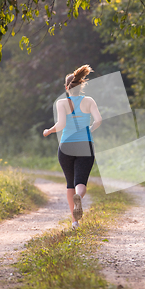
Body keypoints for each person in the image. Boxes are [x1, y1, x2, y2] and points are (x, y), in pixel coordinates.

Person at [43, 65, 102, 229]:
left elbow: (61, 125)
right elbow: (98, 120)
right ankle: (79, 196)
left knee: (69, 182)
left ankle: (75, 222)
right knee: (80, 181)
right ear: (81, 85)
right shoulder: (89, 101)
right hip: (85, 145)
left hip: (66, 146)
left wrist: (49, 131)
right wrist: (89, 130)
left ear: (66, 87)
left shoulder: (61, 103)